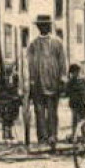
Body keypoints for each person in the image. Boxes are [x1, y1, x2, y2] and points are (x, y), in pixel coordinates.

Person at [24, 13, 68, 148]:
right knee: (39, 111)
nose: (44, 28)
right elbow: (30, 64)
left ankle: (52, 136)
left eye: (46, 25)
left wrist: (62, 78)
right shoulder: (33, 45)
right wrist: (31, 81)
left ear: (50, 26)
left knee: (52, 110)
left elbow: (62, 62)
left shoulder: (57, 43)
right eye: (41, 25)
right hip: (37, 83)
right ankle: (42, 137)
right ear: (38, 27)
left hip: (53, 82)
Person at [65, 63, 85, 139]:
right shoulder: (70, 82)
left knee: (83, 120)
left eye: (77, 72)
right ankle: (74, 136)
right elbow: (67, 92)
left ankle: (84, 136)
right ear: (72, 73)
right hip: (75, 103)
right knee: (75, 120)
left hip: (82, 103)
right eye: (74, 72)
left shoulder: (82, 81)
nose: (76, 74)